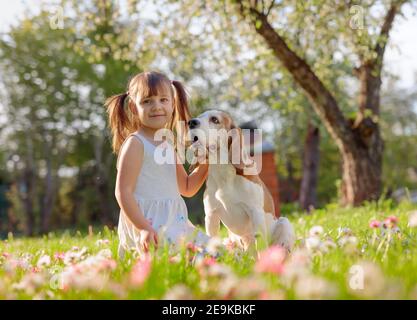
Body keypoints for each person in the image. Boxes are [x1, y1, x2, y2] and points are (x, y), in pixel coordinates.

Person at [105, 71, 209, 258]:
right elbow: (123, 192)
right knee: (189, 257)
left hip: (175, 223)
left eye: (163, 100)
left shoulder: (168, 143)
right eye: (147, 101)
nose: (156, 106)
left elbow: (187, 188)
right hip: (147, 224)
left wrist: (206, 161)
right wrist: (143, 228)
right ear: (133, 107)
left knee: (217, 251)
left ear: (172, 104)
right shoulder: (136, 143)